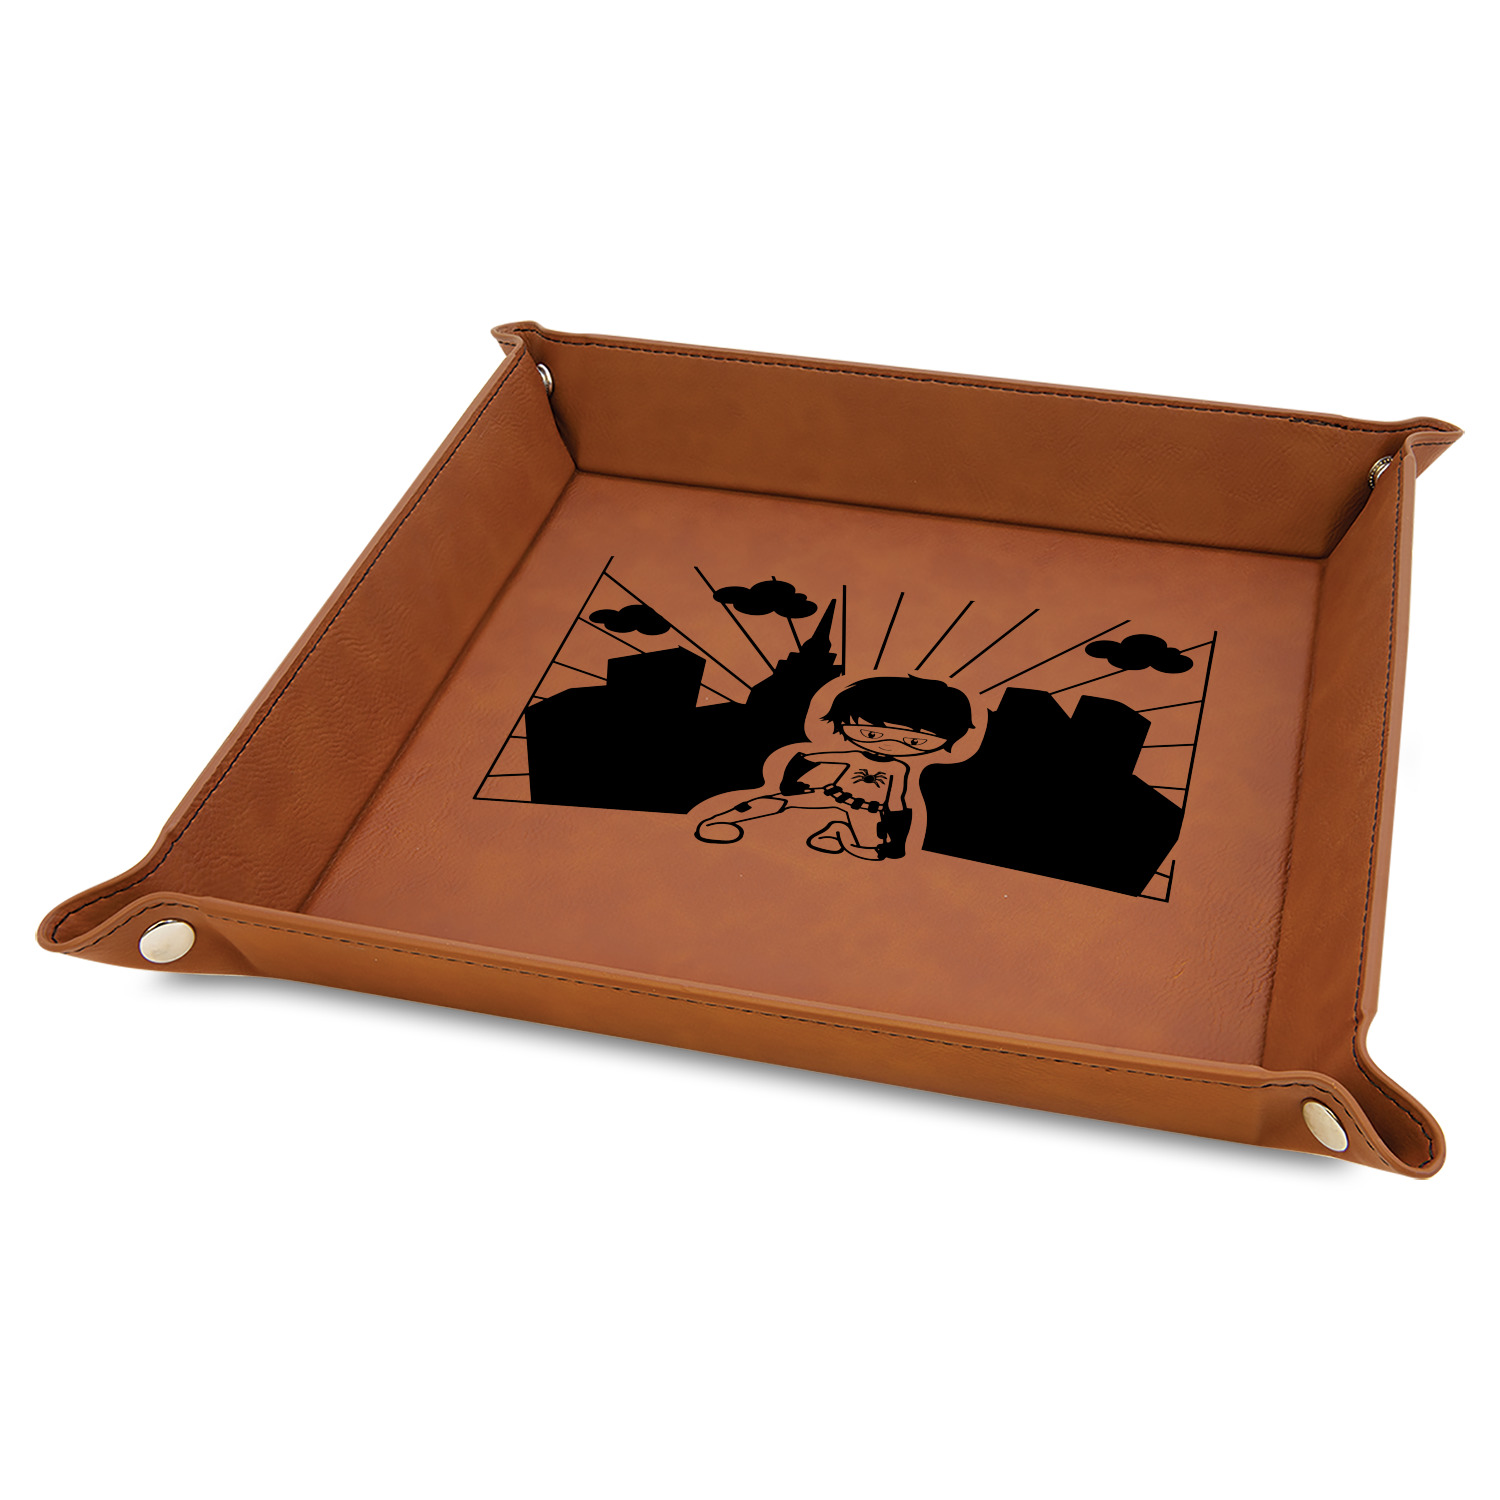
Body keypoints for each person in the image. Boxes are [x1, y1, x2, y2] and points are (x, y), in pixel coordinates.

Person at [694, 675, 974, 860]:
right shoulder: (852, 755)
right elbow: (807, 756)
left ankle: (837, 830)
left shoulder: (899, 768)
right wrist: (789, 784)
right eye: (872, 733)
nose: (888, 744)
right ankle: (719, 821)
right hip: (830, 793)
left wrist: (897, 841)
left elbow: (896, 802)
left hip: (866, 810)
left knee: (869, 852)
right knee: (776, 801)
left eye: (913, 740)